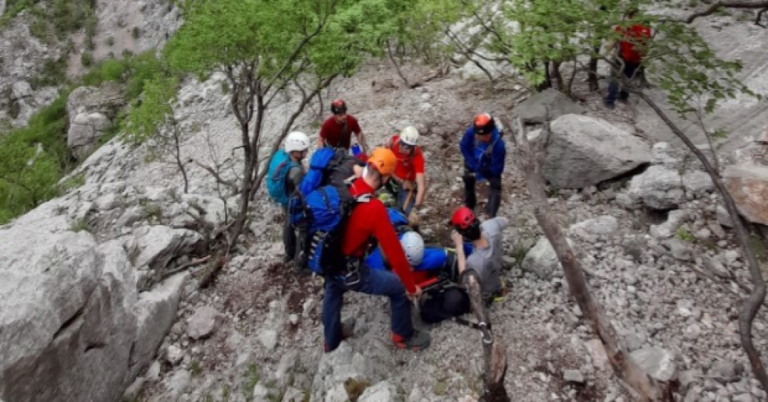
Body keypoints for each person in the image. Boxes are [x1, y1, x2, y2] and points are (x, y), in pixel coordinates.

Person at [322, 148, 431, 352]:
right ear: (386, 177)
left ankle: (331, 339)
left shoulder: (346, 186)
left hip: (329, 260)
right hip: (351, 270)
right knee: (397, 288)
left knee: (333, 290)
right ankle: (403, 335)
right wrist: (409, 286)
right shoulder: (374, 208)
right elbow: (394, 253)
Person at [449, 206, 508, 302]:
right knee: (492, 274)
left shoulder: (474, 261)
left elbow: (465, 279)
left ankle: (493, 294)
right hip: (496, 263)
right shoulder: (491, 226)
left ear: (464, 235)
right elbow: (505, 221)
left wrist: (459, 246)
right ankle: (498, 287)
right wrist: (487, 224)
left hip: (486, 287)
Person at [460, 113, 506, 218]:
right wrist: (474, 164)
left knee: (496, 186)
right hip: (473, 160)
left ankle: (490, 213)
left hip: (489, 165)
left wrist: (485, 171)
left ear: (488, 133)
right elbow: (464, 147)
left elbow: (498, 168)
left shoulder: (498, 145)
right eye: (477, 134)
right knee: (468, 180)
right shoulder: (471, 132)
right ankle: (469, 207)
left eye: (481, 135)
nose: (477, 137)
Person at [604, 8, 651, 109]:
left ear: (629, 16)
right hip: (635, 59)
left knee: (615, 79)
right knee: (629, 79)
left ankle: (610, 101)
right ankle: (623, 96)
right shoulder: (646, 27)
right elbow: (646, 45)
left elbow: (613, 39)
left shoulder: (624, 26)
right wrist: (644, 57)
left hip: (623, 58)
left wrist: (606, 51)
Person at [280, 131, 310, 263]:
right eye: (304, 150)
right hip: (295, 203)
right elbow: (302, 191)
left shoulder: (287, 160)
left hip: (286, 201)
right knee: (303, 229)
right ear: (296, 152)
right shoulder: (296, 171)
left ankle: (289, 254)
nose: (306, 151)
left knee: (288, 226)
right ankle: (299, 264)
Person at [386, 126, 427, 216]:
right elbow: (383, 162)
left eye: (410, 148)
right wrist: (400, 180)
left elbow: (421, 186)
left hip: (406, 185)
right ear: (400, 142)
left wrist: (415, 210)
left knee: (407, 213)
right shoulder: (393, 143)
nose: (407, 151)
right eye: (405, 147)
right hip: (390, 178)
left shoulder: (417, 156)